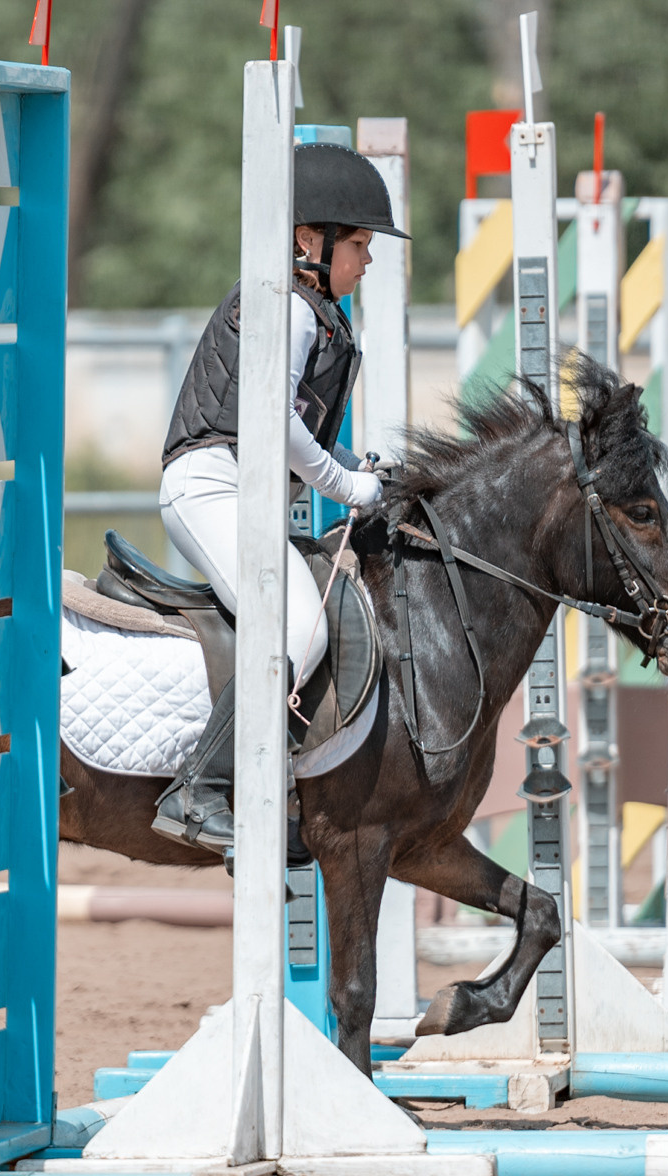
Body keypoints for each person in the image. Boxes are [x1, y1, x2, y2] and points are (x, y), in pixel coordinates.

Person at [150, 143, 409, 854]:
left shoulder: (314, 310)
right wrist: (346, 483)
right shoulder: (289, 310)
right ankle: (199, 791)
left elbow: (305, 431)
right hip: (211, 483)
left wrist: (372, 469)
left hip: (240, 483)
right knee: (299, 628)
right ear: (307, 240)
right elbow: (278, 424)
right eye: (358, 243)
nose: (368, 259)